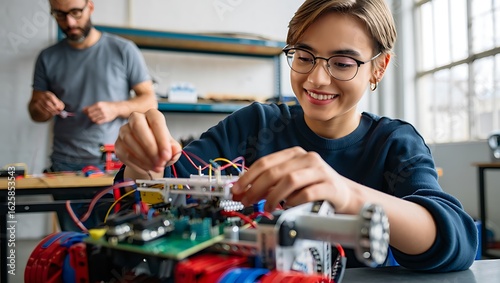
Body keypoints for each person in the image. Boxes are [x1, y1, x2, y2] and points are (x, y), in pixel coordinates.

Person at [114, 0, 477, 272]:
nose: (317, 79)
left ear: (378, 67)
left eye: (342, 63)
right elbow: (142, 202)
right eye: (304, 56)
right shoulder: (253, 125)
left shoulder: (394, 143)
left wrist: (347, 193)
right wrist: (141, 167)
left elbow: (458, 242)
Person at [28, 0, 157, 230]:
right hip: (64, 166)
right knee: (75, 244)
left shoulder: (123, 50)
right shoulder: (47, 57)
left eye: (75, 13)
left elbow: (149, 101)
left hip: (114, 165)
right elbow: (35, 113)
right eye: (59, 15)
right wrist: (41, 105)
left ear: (90, 6)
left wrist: (114, 108)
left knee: (115, 243)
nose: (69, 22)